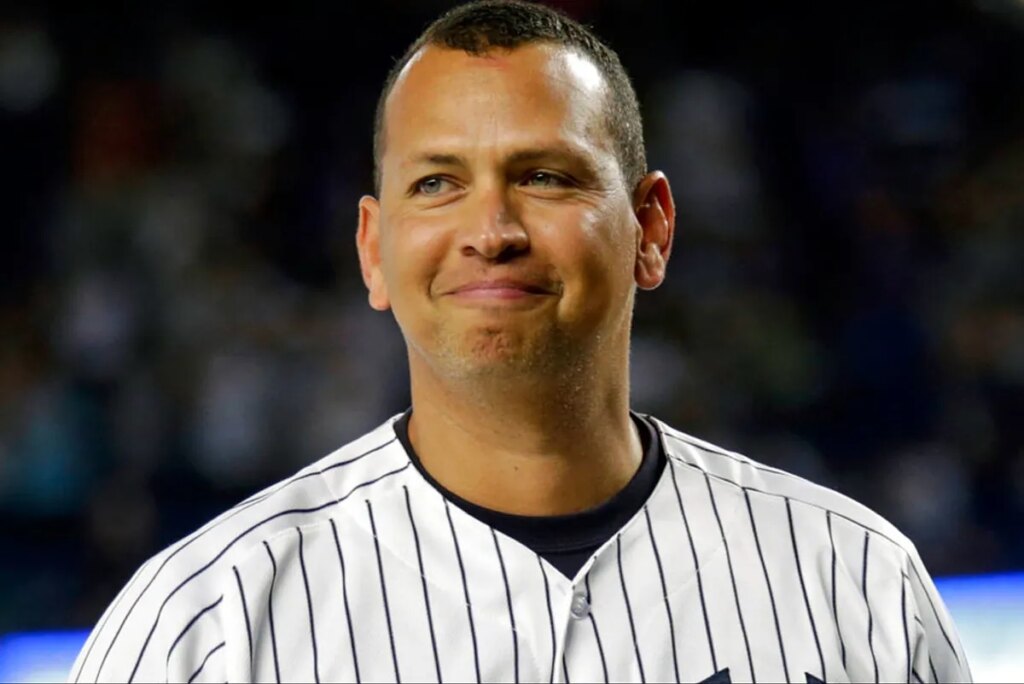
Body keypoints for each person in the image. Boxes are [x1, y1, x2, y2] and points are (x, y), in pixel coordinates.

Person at [70, 1, 971, 682]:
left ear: (652, 229)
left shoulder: (856, 583)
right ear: (373, 250)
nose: (492, 230)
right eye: (436, 184)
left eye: (544, 176)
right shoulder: (207, 625)